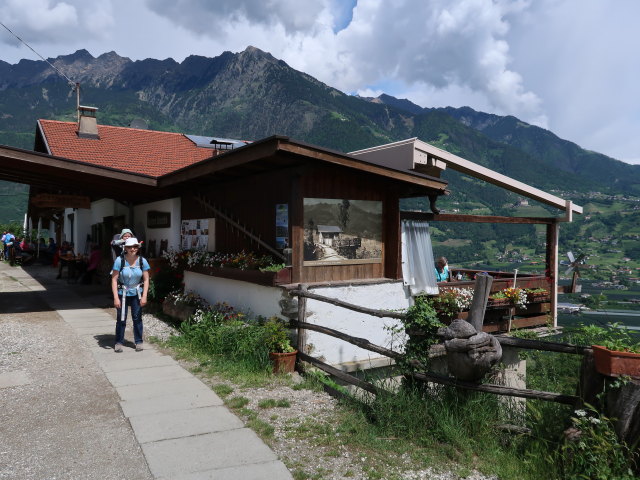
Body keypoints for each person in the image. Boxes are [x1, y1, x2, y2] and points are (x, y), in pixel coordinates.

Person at [111, 237, 149, 352]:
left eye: (135, 246)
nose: (133, 249)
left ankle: (138, 341)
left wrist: (144, 296)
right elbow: (114, 279)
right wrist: (116, 298)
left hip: (136, 293)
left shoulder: (142, 261)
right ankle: (119, 342)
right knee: (121, 318)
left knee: (137, 318)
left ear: (138, 247)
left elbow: (146, 279)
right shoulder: (119, 260)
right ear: (125, 248)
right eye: (129, 247)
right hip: (122, 293)